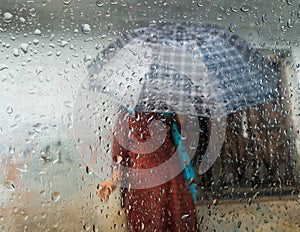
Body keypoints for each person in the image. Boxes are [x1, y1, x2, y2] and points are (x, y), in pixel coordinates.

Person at [96, 109, 197, 232]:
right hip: (153, 183)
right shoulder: (164, 112)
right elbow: (120, 159)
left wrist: (112, 182)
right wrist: (111, 183)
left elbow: (120, 158)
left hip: (161, 182)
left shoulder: (164, 113)